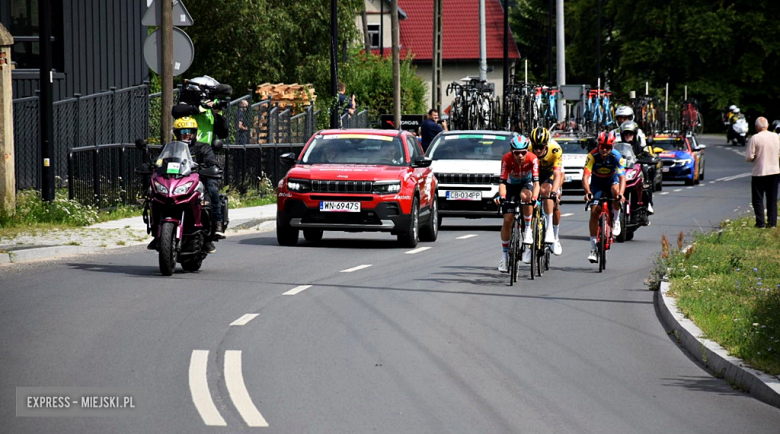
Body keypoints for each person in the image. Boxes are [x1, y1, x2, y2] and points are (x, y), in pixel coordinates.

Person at [148, 117, 222, 253]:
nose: (187, 133)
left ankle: (214, 229)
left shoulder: (202, 147)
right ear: (177, 132)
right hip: (175, 181)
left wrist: (212, 166)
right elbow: (159, 160)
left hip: (197, 180)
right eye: (183, 130)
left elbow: (211, 160)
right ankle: (156, 230)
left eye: (190, 131)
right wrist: (152, 165)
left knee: (212, 192)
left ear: (194, 132)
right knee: (152, 195)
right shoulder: (169, 148)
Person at [494, 135, 540, 272]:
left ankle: (527, 230)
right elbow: (502, 183)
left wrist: (535, 198)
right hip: (511, 186)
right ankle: (504, 257)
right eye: (517, 153)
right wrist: (502, 196)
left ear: (527, 151)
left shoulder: (533, 159)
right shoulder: (506, 159)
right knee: (508, 220)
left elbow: (536, 183)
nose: (520, 156)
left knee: (526, 197)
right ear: (511, 152)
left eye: (523, 153)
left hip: (526, 184)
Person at [582, 131, 626, 263]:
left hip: (611, 182)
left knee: (615, 191)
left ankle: (616, 220)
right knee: (594, 211)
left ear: (612, 147)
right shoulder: (592, 155)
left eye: (608, 147)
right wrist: (587, 191)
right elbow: (585, 177)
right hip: (597, 184)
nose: (605, 150)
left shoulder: (617, 156)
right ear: (598, 145)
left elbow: (622, 177)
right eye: (602, 146)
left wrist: (621, 194)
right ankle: (593, 248)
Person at [529, 127, 564, 255]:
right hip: (536, 174)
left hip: (551, 173)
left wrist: (555, 192)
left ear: (547, 144)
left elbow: (558, 174)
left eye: (541, 147)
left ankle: (553, 233)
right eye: (535, 147)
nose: (538, 150)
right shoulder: (527, 149)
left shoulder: (555, 149)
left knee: (549, 194)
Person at [745, 117, 780, 228]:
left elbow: (749, 157)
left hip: (759, 172)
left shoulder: (755, 138)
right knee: (772, 198)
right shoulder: (776, 137)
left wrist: (756, 157)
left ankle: (760, 223)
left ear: (756, 127)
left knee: (758, 199)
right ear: (767, 125)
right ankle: (772, 223)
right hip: (774, 171)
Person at [619, 120, 654, 214]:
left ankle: (647, 204)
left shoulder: (639, 146)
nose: (628, 135)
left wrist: (648, 159)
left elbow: (647, 155)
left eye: (630, 133)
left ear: (634, 134)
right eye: (626, 133)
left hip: (635, 172)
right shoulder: (617, 146)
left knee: (646, 172)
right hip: (621, 172)